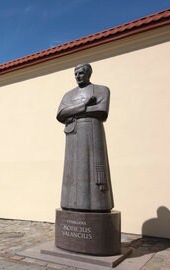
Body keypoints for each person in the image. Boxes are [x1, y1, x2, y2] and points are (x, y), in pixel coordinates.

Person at [56, 63, 113, 212]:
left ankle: (95, 205)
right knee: (72, 169)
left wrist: (73, 111)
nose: (78, 76)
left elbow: (101, 111)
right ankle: (72, 203)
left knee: (92, 167)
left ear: (88, 73)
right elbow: (60, 114)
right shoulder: (68, 95)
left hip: (92, 131)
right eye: (75, 74)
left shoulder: (102, 90)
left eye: (81, 73)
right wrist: (85, 105)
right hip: (73, 134)